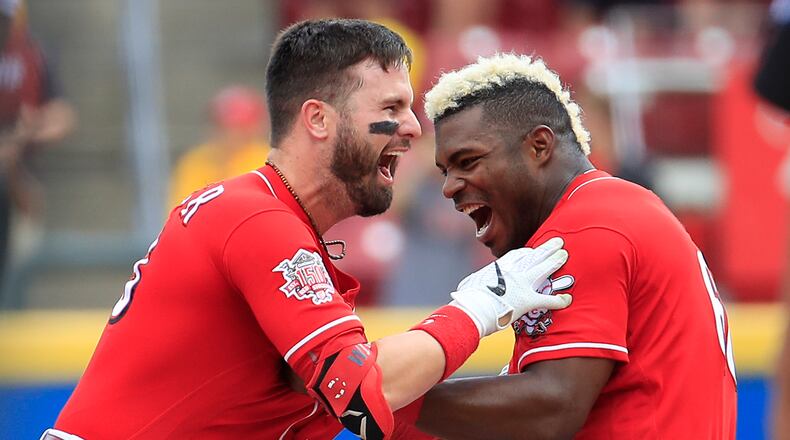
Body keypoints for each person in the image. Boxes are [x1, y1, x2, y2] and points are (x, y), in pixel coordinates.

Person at [42, 20, 573, 440]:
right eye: (391, 108)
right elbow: (363, 395)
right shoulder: (256, 218)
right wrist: (478, 308)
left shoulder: (273, 219)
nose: (412, 128)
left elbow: (360, 409)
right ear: (317, 119)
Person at [394, 53, 737, 439]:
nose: (449, 187)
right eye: (446, 171)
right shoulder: (612, 206)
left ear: (539, 146)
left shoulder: (586, 224)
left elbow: (553, 407)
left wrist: (389, 398)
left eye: (468, 161)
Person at [0, 0, 75, 302]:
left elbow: (64, 115)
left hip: (19, 177)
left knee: (19, 255)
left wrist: (28, 132)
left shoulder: (32, 52)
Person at [169, 85, 271, 208]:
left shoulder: (267, 160)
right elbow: (181, 212)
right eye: (223, 127)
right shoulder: (195, 163)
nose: (231, 135)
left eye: (240, 127)